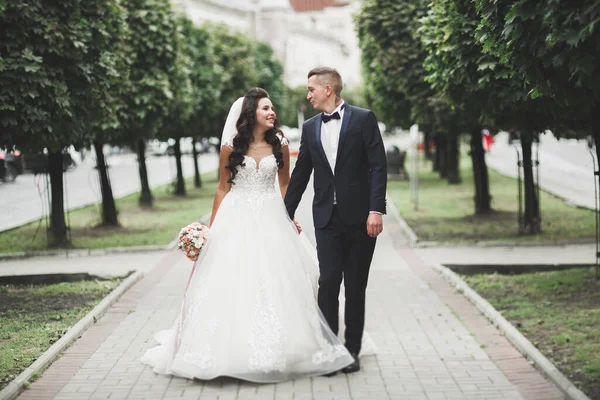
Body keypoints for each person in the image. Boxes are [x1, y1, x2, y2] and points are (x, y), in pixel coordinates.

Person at [141, 88, 354, 383]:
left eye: (273, 108)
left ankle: (290, 346)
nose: (272, 113)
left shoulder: (279, 143)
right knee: (232, 278)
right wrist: (211, 230)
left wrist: (289, 216)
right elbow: (222, 187)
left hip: (271, 215)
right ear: (250, 113)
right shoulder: (231, 147)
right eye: (265, 108)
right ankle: (225, 351)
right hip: (235, 215)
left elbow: (284, 185)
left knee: (281, 276)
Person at [285, 67, 387, 374]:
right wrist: (284, 213)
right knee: (328, 282)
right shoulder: (310, 126)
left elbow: (378, 167)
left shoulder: (363, 119)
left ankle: (351, 351)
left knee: (355, 286)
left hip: (360, 219)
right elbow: (301, 172)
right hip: (326, 220)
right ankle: (330, 349)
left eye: (311, 89)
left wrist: (376, 210)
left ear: (328, 89)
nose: (308, 95)